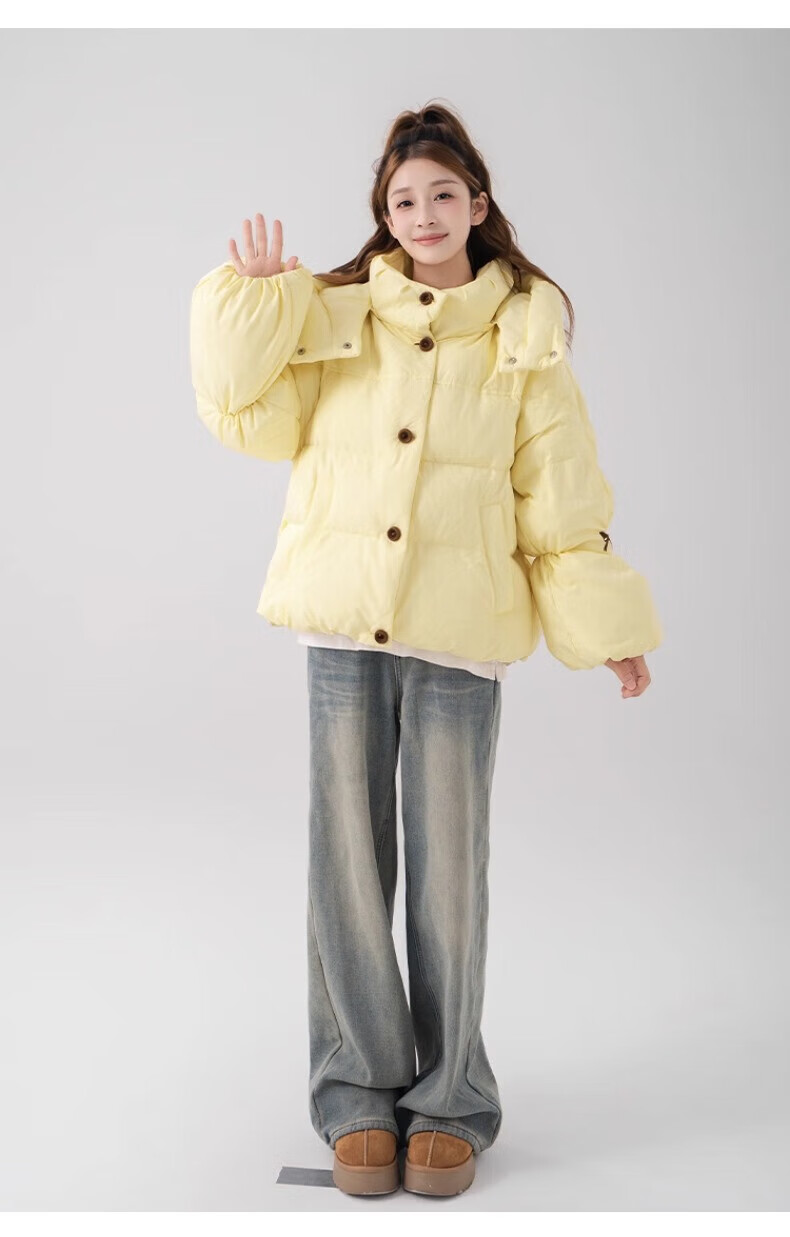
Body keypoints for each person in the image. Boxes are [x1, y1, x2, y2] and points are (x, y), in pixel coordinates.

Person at [189, 102, 663, 1198]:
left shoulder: (524, 336)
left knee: (448, 876)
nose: (424, 213)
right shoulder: (336, 316)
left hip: (459, 637)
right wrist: (252, 306)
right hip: (342, 625)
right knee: (346, 869)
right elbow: (247, 415)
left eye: (443, 193)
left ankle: (450, 1100)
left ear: (478, 204)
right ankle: (358, 1092)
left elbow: (560, 496)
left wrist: (608, 632)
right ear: (385, 216)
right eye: (403, 200)